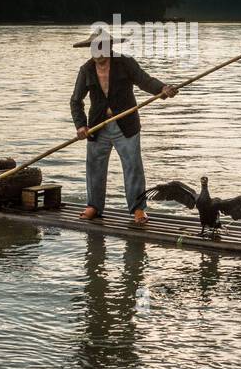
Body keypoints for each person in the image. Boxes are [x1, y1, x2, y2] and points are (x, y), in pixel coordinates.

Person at [69, 29, 178, 224]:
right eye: (95, 47)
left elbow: (145, 81)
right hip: (97, 127)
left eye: (102, 47)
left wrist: (162, 89)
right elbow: (76, 101)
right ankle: (94, 206)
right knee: (94, 166)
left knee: (133, 166)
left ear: (110, 48)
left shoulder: (125, 63)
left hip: (126, 125)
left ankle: (138, 209)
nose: (99, 52)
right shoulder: (86, 70)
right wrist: (80, 126)